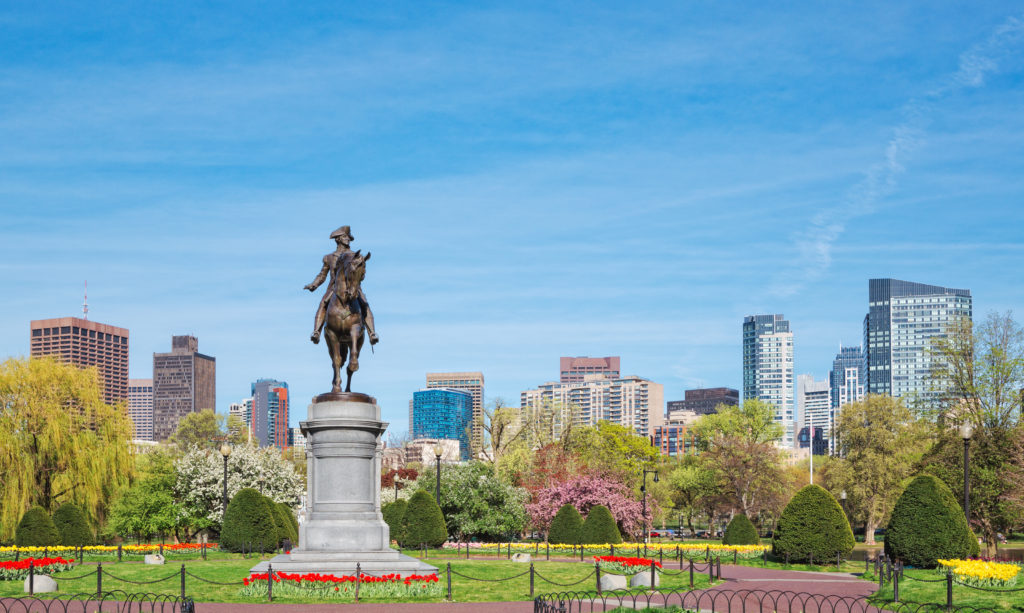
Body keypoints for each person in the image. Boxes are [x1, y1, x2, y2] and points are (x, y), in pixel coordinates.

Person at [304, 225, 379, 345]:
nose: (348, 239)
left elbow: (361, 274)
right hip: (334, 289)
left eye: (348, 237)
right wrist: (314, 284)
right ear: (338, 239)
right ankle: (316, 331)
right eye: (345, 237)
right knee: (323, 303)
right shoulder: (328, 258)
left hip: (353, 287)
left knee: (365, 304)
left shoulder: (355, 256)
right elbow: (322, 275)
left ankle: (372, 333)